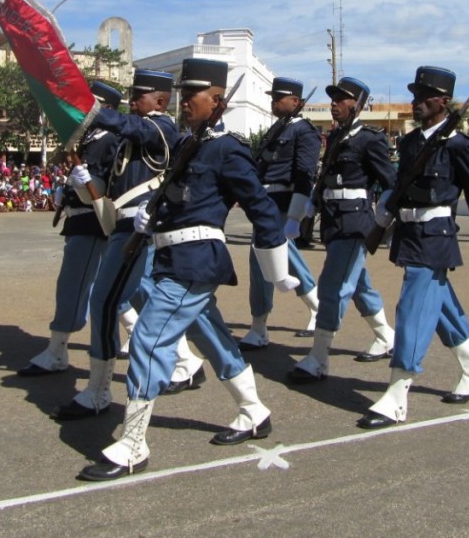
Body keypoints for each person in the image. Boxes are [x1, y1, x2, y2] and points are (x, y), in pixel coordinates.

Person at [77, 58, 291, 481]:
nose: (182, 103)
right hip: (173, 258)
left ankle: (134, 443)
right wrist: (150, 220)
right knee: (212, 338)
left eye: (189, 95)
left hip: (196, 260)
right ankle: (253, 410)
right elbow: (179, 199)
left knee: (148, 340)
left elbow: (261, 207)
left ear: (215, 100)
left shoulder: (227, 149)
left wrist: (277, 269)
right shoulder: (189, 143)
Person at [357, 66, 469, 429]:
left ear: (444, 102)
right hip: (409, 231)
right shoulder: (411, 143)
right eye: (415, 96)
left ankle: (397, 393)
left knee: (412, 305)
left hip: (436, 233)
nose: (418, 102)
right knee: (440, 306)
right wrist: (384, 212)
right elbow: (401, 184)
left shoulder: (457, 144)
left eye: (426, 97)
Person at [51, 69, 189, 421]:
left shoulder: (161, 128)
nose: (132, 101)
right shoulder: (127, 140)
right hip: (120, 228)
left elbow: (133, 127)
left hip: (140, 231)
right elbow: (109, 190)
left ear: (160, 100)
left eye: (139, 95)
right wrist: (85, 184)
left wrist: (91, 110)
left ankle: (99, 391)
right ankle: (180, 363)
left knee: (106, 300)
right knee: (114, 300)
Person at [286, 76, 397, 384]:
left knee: (333, 286)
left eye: (340, 99)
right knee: (358, 284)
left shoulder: (370, 138)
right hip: (334, 221)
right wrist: (314, 201)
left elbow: (390, 182)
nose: (334, 103)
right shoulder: (336, 137)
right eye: (332, 98)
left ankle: (319, 358)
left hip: (355, 223)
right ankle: (385, 336)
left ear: (357, 105)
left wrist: (384, 216)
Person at [17, 82, 121, 377]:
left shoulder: (109, 139)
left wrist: (86, 183)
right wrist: (68, 189)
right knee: (119, 292)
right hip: (79, 218)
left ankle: (57, 351)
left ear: (106, 109)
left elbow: (106, 183)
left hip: (92, 220)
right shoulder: (88, 138)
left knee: (72, 286)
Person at [239, 76, 321, 350]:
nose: (273, 102)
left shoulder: (305, 131)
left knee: (285, 258)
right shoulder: (276, 129)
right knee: (259, 264)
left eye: (278, 98)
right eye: (272, 97)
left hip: (285, 203)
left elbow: (304, 174)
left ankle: (317, 306)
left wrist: (296, 215)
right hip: (265, 201)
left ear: (295, 102)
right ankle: (258, 326)